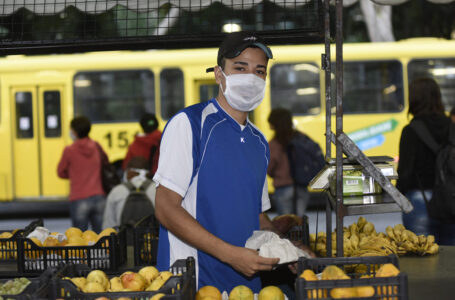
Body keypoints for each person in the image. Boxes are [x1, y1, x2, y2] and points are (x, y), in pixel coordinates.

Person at [153, 31, 284, 293]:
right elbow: (166, 207)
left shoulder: (259, 142)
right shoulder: (190, 124)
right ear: (218, 74)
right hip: (194, 284)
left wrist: (285, 248)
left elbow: (256, 215)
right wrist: (231, 255)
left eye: (259, 71)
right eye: (240, 68)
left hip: (246, 287)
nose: (251, 77)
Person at [397, 78, 455, 245]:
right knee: (452, 259)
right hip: (450, 199)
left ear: (413, 99)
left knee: (422, 258)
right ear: (438, 98)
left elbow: (406, 173)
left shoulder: (410, 131)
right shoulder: (451, 126)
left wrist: (398, 193)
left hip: (420, 200)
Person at [57, 116, 106, 233]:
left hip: (79, 198)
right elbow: (106, 163)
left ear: (74, 131)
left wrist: (73, 174)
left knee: (79, 239)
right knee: (101, 238)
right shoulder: (96, 146)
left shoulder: (69, 150)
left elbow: (60, 172)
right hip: (99, 197)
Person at [267, 108, 310, 216]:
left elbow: (269, 168)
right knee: (299, 223)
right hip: (302, 188)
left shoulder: (274, 144)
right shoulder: (301, 138)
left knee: (285, 225)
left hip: (283, 189)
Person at [102, 156, 156, 229]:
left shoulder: (116, 191)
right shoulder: (157, 189)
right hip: (152, 238)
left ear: (130, 172)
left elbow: (108, 225)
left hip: (124, 239)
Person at [122, 113, 162, 177]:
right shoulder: (166, 140)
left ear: (142, 127)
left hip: (142, 183)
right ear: (157, 124)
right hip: (162, 182)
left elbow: (125, 166)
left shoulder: (135, 145)